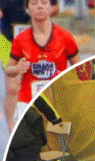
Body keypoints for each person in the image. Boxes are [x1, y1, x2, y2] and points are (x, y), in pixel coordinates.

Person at [4, 0, 78, 132]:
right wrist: (17, 68)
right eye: (34, 3)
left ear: (51, 8)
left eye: (44, 3)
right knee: (11, 88)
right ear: (28, 8)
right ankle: (12, 125)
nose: (39, 6)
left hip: (57, 101)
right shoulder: (20, 40)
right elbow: (9, 70)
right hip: (27, 103)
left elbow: (79, 69)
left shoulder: (65, 37)